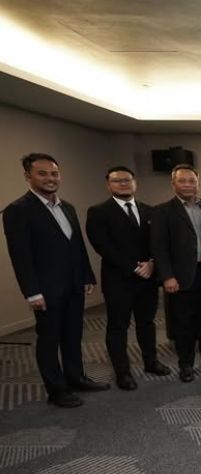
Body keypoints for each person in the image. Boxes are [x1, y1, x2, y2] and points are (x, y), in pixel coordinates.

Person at [3, 153, 109, 407]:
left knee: (73, 334)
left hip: (73, 285)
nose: (50, 179)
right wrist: (32, 292)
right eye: (42, 174)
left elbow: (77, 246)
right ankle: (56, 390)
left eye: (54, 174)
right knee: (49, 339)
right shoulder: (18, 210)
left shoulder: (67, 207)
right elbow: (21, 256)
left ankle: (76, 378)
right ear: (28, 176)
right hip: (46, 289)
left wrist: (86, 274)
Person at [86, 166, 171, 391]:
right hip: (119, 280)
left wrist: (152, 263)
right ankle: (122, 372)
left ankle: (151, 362)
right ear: (108, 185)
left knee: (147, 323)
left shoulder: (149, 211)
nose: (123, 184)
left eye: (127, 180)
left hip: (148, 279)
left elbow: (159, 243)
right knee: (118, 327)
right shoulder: (98, 211)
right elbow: (102, 246)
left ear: (135, 183)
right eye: (117, 181)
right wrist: (134, 268)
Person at [150, 164, 201, 383]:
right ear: (173, 184)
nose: (188, 185)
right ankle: (186, 364)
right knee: (184, 322)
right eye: (183, 181)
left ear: (198, 183)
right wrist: (167, 277)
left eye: (192, 181)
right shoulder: (162, 211)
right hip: (180, 277)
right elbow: (159, 247)